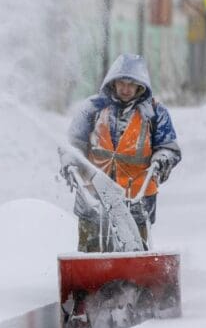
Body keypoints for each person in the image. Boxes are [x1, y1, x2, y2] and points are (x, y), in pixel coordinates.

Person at [67, 53, 181, 252]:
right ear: (113, 82)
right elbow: (73, 143)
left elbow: (168, 147)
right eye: (121, 83)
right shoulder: (93, 108)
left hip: (136, 196)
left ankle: (136, 270)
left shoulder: (155, 113)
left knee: (135, 248)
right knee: (91, 248)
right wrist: (69, 161)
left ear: (140, 86)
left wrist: (162, 160)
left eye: (131, 84)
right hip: (93, 194)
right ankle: (91, 269)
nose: (125, 89)